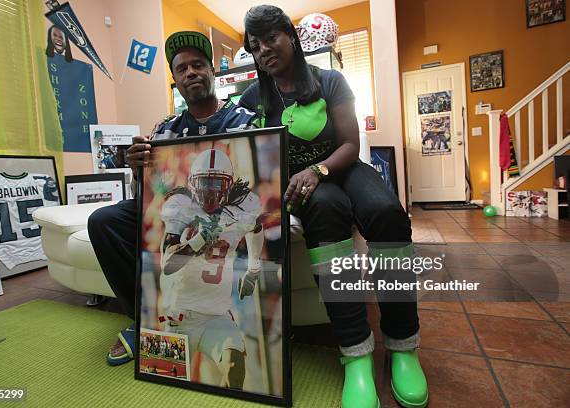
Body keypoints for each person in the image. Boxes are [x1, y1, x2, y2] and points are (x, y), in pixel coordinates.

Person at [239, 6, 427, 408]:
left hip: (340, 167)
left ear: (291, 36)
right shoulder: (253, 97)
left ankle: (403, 345)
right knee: (324, 211)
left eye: (271, 38)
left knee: (386, 212)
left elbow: (350, 145)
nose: (265, 50)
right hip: (304, 189)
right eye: (255, 46)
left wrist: (316, 169)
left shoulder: (330, 80)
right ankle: (355, 354)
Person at [88, 31, 257, 368]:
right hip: (182, 210)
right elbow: (151, 193)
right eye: (181, 69)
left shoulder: (246, 122)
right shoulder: (164, 130)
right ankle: (144, 317)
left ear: (212, 71)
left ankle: (240, 323)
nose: (190, 72)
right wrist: (139, 167)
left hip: (224, 217)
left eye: (197, 65)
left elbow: (256, 184)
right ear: (176, 80)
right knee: (103, 220)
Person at [157, 147, 263, 389]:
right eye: (205, 183)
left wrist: (253, 270)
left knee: (235, 371)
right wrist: (199, 239)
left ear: (229, 184)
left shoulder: (242, 207)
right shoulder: (181, 205)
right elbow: (168, 265)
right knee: (165, 385)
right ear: (193, 183)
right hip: (178, 315)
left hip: (217, 314)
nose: (210, 191)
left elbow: (256, 228)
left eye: (217, 184)